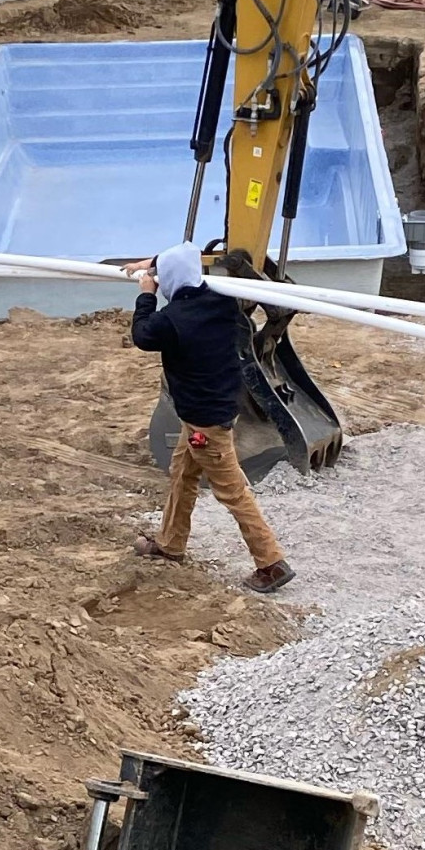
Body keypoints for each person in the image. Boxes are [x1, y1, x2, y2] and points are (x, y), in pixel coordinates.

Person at [129, 244, 294, 591]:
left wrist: (147, 294)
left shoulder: (173, 320)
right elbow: (186, 261)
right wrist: (158, 262)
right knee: (182, 475)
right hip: (210, 412)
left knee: (233, 492)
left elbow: (143, 335)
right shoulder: (222, 302)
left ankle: (272, 563)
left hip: (205, 423)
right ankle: (170, 544)